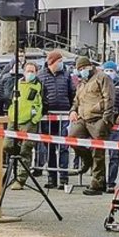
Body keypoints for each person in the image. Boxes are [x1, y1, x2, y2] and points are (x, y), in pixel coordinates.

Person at [68, 56, 115, 195]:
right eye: (79, 69)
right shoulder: (81, 83)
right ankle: (87, 159)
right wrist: (72, 111)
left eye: (84, 68)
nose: (82, 71)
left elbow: (109, 98)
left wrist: (106, 119)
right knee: (72, 138)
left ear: (90, 66)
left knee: (98, 152)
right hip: (83, 118)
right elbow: (76, 101)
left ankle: (98, 183)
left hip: (99, 118)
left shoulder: (102, 78)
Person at [37, 50, 73, 188]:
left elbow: (72, 93)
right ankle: (52, 178)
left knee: (64, 146)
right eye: (59, 61)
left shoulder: (66, 75)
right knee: (50, 147)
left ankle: (63, 177)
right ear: (51, 62)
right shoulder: (41, 76)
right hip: (48, 117)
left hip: (64, 115)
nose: (61, 63)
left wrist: (72, 109)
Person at [7, 61, 43, 191]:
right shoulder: (18, 84)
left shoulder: (39, 85)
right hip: (15, 119)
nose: (30, 73)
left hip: (29, 121)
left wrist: (35, 118)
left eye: (32, 71)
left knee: (25, 150)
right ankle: (13, 169)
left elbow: (42, 103)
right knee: (8, 145)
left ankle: (21, 179)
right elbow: (12, 100)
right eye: (28, 71)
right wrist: (11, 114)